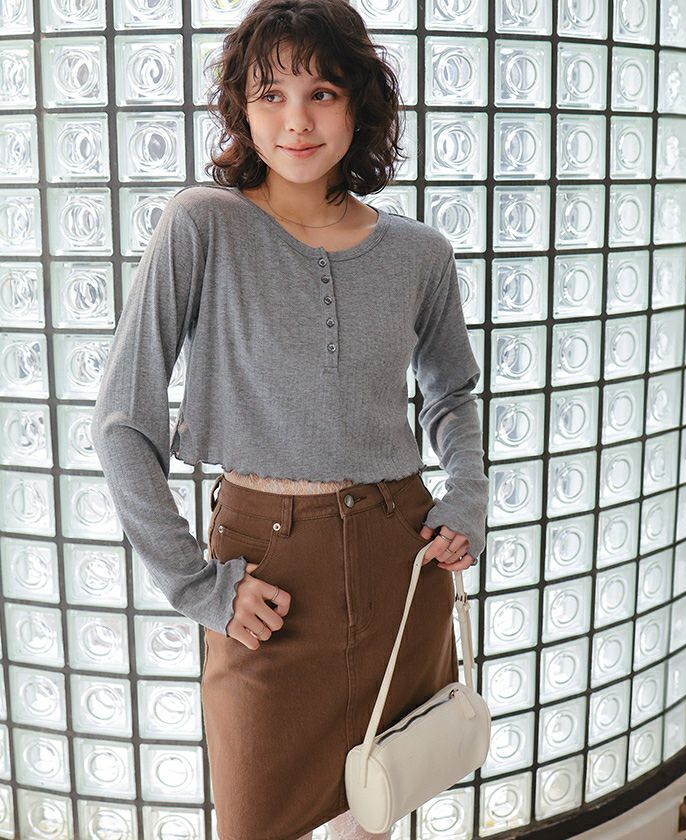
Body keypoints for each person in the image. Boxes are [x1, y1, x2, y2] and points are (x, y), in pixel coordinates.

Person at [91, 0, 489, 838]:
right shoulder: (203, 224)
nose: (296, 121)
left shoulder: (420, 253)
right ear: (242, 108)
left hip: (401, 558)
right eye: (270, 95)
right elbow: (124, 421)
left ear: (359, 104)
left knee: (374, 807)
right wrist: (196, 584)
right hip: (267, 576)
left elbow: (451, 392)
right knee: (256, 822)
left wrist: (467, 496)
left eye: (322, 93)